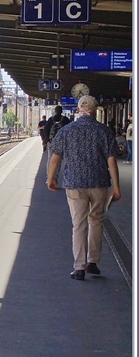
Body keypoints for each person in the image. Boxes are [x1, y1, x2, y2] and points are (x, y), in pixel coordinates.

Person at [47, 95, 122, 280]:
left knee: (78, 224)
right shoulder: (104, 131)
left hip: (74, 183)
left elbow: (55, 158)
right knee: (96, 221)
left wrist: (51, 178)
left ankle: (79, 267)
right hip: (99, 183)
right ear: (96, 110)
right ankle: (93, 262)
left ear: (79, 110)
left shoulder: (66, 131)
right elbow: (112, 161)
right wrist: (116, 187)